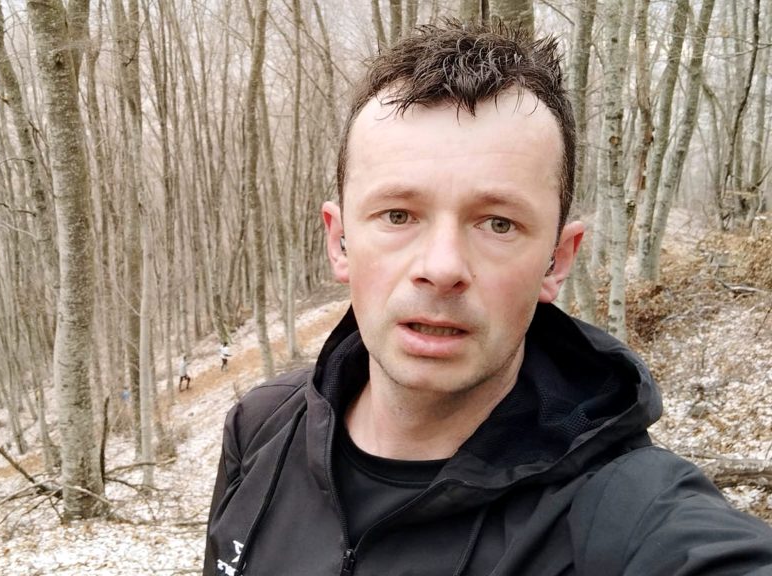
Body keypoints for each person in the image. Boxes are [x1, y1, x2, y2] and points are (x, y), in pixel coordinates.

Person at [203, 21, 772, 576]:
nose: (441, 268)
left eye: (498, 223)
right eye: (398, 215)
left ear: (557, 260)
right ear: (339, 242)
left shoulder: (624, 514)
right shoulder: (261, 429)